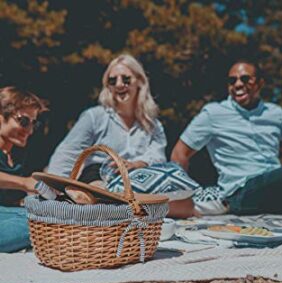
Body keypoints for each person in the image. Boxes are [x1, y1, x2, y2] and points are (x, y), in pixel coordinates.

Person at [171, 59, 282, 215]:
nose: (238, 84)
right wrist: (181, 195)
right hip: (240, 193)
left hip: (274, 190)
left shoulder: (275, 114)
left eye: (245, 79)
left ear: (260, 83)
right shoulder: (213, 114)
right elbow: (180, 153)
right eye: (232, 81)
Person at [48, 54, 167, 183]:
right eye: (112, 81)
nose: (119, 85)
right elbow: (67, 154)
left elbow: (158, 157)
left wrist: (138, 164)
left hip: (140, 182)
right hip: (99, 180)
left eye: (126, 79)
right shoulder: (94, 117)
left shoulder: (153, 124)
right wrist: (54, 188)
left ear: (139, 81)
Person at [0, 86, 47, 252]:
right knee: (42, 227)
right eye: (23, 121)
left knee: (50, 216)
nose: (29, 130)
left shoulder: (15, 154)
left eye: (34, 123)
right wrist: (24, 183)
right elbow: (24, 183)